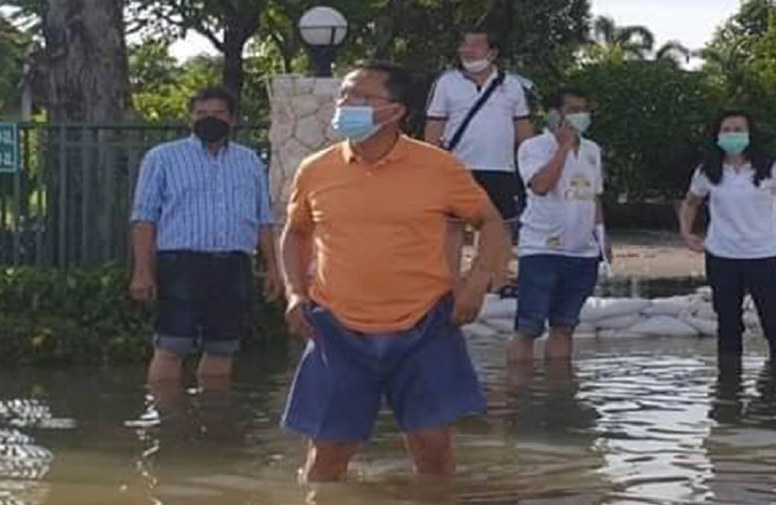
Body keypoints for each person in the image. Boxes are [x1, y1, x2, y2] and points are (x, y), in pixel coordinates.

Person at [279, 61, 508, 481]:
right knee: (327, 455)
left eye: (361, 97)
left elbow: (491, 223)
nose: (346, 103)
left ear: (395, 111)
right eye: (344, 95)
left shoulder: (439, 167)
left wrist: (476, 285)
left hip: (423, 326)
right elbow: (294, 234)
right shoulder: (315, 169)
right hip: (338, 328)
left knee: (433, 449)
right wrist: (295, 293)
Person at [129, 87, 281, 387]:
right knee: (172, 345)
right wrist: (142, 272)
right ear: (190, 118)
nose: (209, 119)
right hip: (179, 263)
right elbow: (144, 218)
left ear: (233, 119)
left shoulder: (249, 161)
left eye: (218, 114)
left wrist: (274, 268)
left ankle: (214, 425)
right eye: (201, 114)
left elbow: (264, 219)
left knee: (223, 348)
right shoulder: (163, 158)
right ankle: (167, 425)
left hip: (234, 264)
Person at [679, 111, 776, 359]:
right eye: (727, 130)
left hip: (763, 254)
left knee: (774, 321)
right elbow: (691, 203)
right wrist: (686, 233)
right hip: (722, 255)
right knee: (728, 325)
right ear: (717, 135)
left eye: (738, 129)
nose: (733, 134)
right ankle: (729, 387)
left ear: (750, 134)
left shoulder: (769, 167)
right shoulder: (707, 171)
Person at [508, 88, 610, 365]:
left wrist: (602, 238)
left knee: (565, 326)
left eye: (583, 109)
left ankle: (558, 393)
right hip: (542, 249)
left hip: (582, 252)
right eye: (572, 110)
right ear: (554, 115)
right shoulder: (533, 147)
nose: (580, 116)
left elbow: (594, 196)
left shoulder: (591, 150)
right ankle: (520, 394)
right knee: (528, 328)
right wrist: (563, 146)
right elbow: (540, 186)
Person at [423, 27, 534, 280]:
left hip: (501, 168)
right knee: (452, 227)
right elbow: (434, 124)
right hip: (457, 167)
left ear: (492, 52)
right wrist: (430, 165)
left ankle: (493, 282)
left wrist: (530, 164)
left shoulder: (512, 85)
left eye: (475, 45)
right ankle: (448, 284)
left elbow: (523, 127)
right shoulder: (446, 82)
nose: (467, 50)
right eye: (464, 44)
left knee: (499, 227)